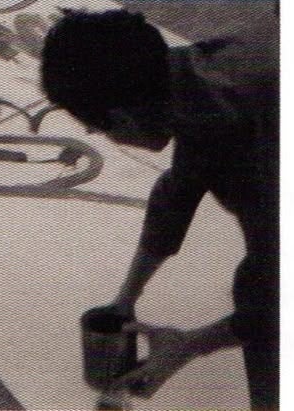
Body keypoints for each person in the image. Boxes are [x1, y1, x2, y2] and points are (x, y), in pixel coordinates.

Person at [41, 9, 278, 408]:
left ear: (122, 117)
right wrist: (125, 299)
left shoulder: (260, 132)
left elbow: (282, 293)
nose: (104, 137)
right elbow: (176, 196)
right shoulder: (189, 82)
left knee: (261, 302)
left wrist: (191, 345)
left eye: (99, 129)